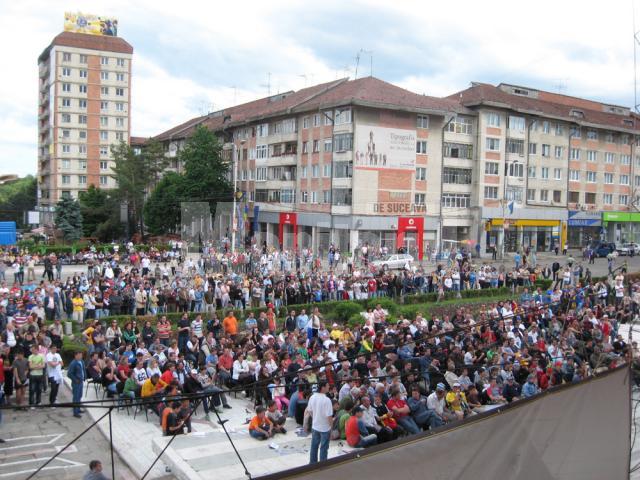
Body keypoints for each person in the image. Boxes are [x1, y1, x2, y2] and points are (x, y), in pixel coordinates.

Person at [307, 381, 333, 464]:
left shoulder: (312, 397)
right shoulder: (327, 400)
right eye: (327, 385)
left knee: (314, 446)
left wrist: (315, 418)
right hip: (325, 428)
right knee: (324, 448)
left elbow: (309, 410)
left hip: (315, 426)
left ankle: (312, 463)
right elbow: (329, 416)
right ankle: (322, 465)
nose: (329, 387)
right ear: (323, 387)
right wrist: (331, 428)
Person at [67, 351, 85, 418]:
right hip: (76, 383)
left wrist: (84, 377)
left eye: (81, 355)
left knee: (80, 395)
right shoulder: (73, 363)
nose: (81, 356)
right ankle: (75, 412)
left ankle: (78, 408)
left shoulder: (81, 362)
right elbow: (69, 374)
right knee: (76, 397)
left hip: (81, 382)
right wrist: (75, 379)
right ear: (75, 355)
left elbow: (83, 370)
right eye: (79, 355)